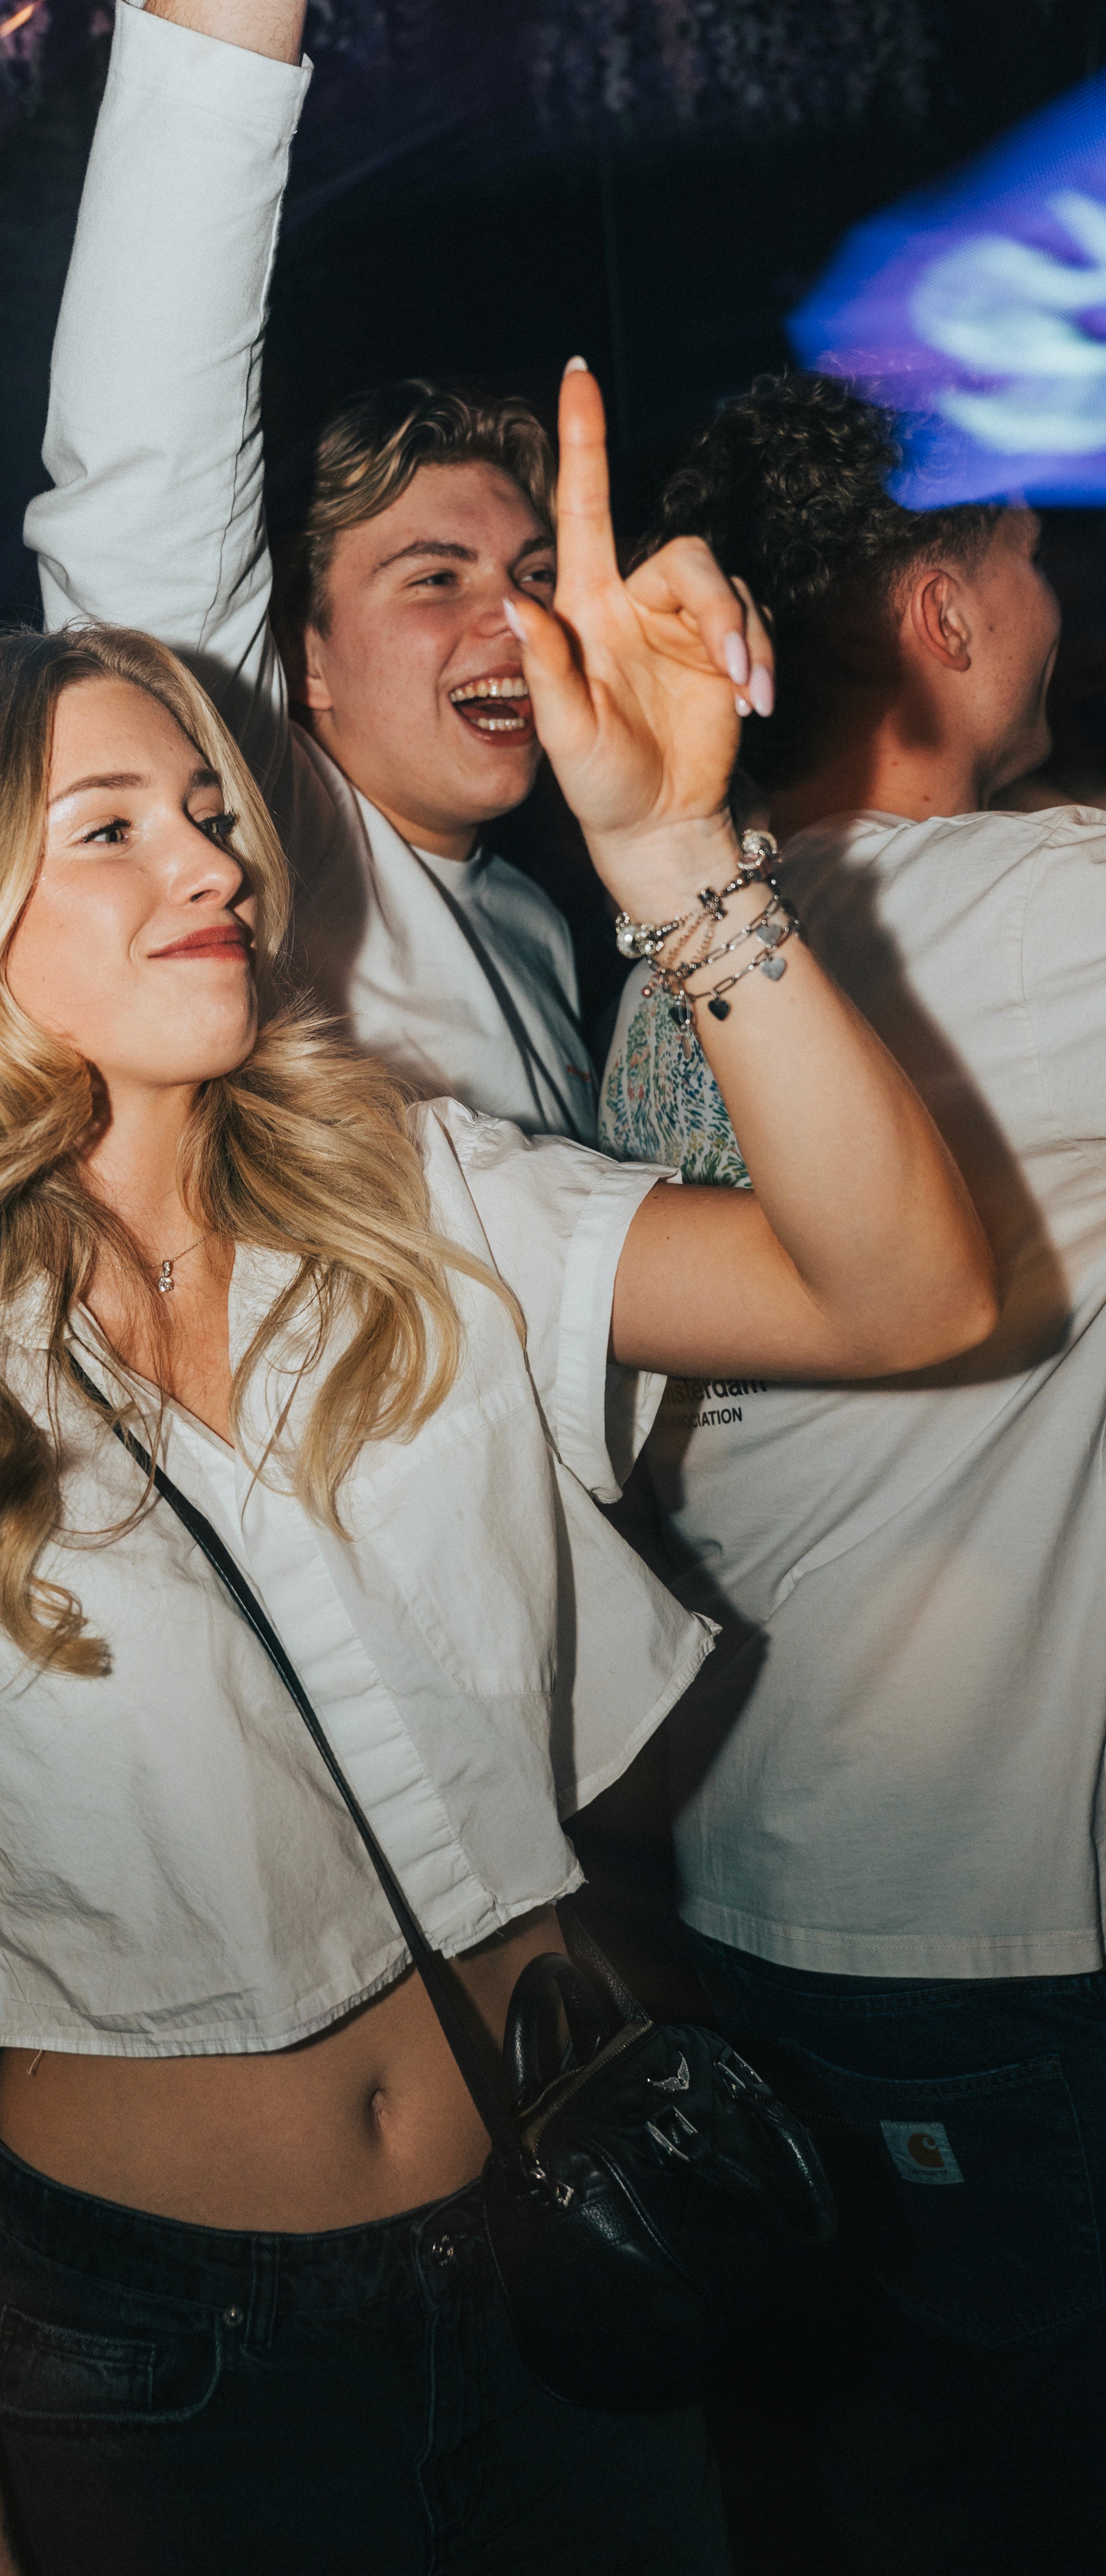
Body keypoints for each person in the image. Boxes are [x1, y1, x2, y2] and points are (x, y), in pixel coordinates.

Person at [0, 359, 994, 2576]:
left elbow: (904, 1295)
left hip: (557, 2221)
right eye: (111, 825)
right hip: (160, 2357)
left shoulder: (420, 1189)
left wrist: (672, 853)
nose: (211, 854)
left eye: (208, 808)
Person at [597, 369, 1106, 2575]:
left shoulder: (676, 956)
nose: (1056, 607)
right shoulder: (1031, 910)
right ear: (940, 611)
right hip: (981, 1917)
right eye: (1027, 563)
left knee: (895, 2469)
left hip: (763, 1871)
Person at [28, 0, 770, 1137]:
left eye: (533, 575)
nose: (517, 622)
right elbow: (147, 472)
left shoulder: (530, 916)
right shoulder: (266, 851)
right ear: (305, 660)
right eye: (435, 577)